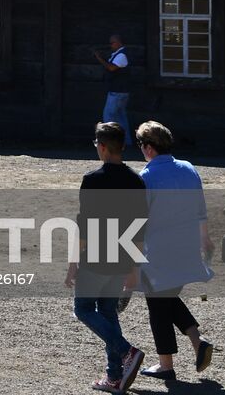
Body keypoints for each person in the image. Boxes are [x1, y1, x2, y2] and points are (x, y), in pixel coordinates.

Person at [66, 121, 147, 393]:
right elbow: (139, 228)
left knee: (83, 309)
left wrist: (73, 262)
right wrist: (134, 267)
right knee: (108, 313)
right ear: (122, 147)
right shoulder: (137, 181)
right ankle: (114, 377)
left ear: (102, 147)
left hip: (97, 256)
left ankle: (127, 352)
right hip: (122, 257)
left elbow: (85, 224)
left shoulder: (93, 180)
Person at [134, 120, 216, 383]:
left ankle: (166, 365)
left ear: (148, 148)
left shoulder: (146, 177)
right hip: (188, 245)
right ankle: (196, 339)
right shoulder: (189, 169)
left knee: (158, 304)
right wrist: (205, 239)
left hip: (159, 250)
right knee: (165, 298)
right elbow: (200, 207)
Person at [93, 34, 132, 146]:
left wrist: (100, 58)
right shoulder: (120, 54)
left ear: (119, 43)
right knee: (121, 119)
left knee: (109, 117)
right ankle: (125, 142)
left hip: (117, 92)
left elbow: (111, 68)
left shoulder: (122, 55)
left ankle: (110, 143)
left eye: (112, 43)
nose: (110, 45)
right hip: (120, 92)